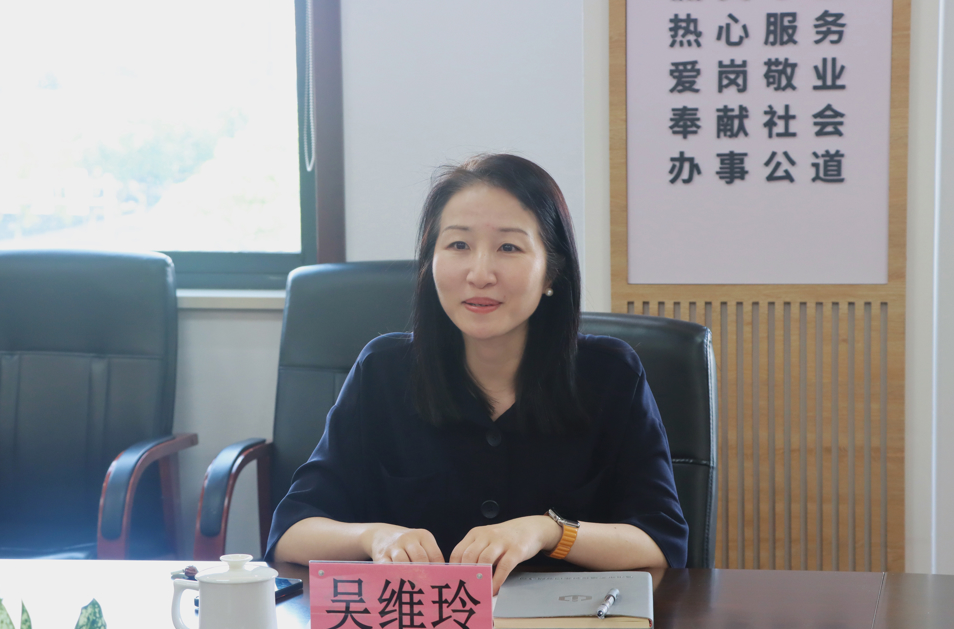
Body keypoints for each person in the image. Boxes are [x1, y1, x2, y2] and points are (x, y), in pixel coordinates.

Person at [266, 154, 687, 593]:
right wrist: (375, 537)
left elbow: (661, 543)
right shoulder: (383, 372)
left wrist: (547, 531)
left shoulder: (611, 374)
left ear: (551, 272)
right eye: (458, 245)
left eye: (509, 247)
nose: (480, 274)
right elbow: (291, 533)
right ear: (430, 262)